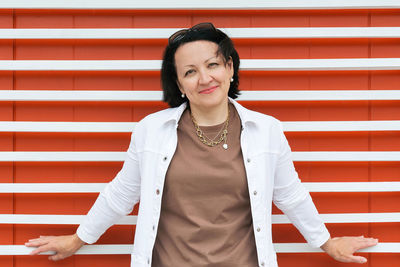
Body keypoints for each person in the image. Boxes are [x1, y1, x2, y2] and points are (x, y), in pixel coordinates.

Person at [25, 22, 378, 267]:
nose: (204, 78)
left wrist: (327, 243)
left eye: (213, 65)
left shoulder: (266, 131)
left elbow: (291, 196)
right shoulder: (152, 131)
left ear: (230, 68)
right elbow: (122, 193)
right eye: (190, 71)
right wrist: (78, 238)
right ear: (179, 84)